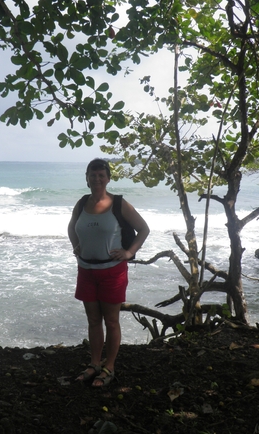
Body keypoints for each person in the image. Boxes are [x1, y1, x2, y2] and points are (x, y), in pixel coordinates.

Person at [67, 158, 149, 387]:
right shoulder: (82, 203)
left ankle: (109, 366)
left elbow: (144, 229)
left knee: (111, 322)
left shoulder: (118, 204)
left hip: (112, 272)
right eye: (93, 175)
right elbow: (71, 227)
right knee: (93, 320)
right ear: (87, 178)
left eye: (101, 175)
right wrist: (76, 245)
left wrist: (130, 252)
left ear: (108, 178)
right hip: (86, 270)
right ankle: (94, 363)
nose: (97, 179)